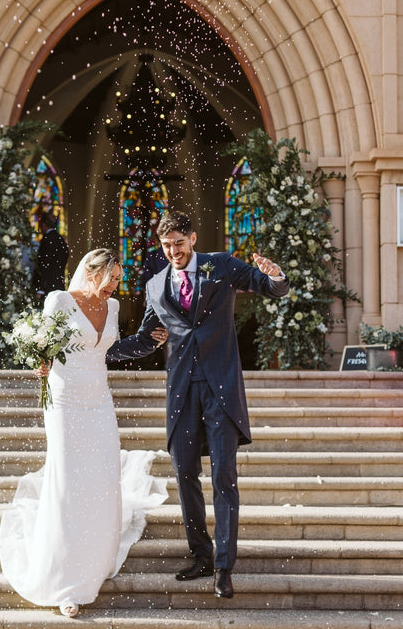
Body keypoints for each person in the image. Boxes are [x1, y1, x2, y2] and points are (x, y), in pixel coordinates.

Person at [108, 211, 289, 599]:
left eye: (179, 242)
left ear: (192, 238)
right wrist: (94, 351)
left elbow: (267, 287)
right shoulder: (156, 285)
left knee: (224, 476)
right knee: (185, 473)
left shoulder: (220, 266)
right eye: (166, 244)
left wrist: (275, 276)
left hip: (220, 386)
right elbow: (145, 338)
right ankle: (201, 554)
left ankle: (224, 567)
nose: (173, 250)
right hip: (182, 390)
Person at [0, 249, 168, 618]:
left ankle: (93, 557)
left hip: (99, 401)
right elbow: (43, 345)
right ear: (92, 274)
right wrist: (38, 360)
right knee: (69, 478)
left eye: (119, 281)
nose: (115, 287)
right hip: (64, 401)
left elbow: (110, 350)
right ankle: (66, 579)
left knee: (102, 475)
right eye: (111, 279)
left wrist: (150, 342)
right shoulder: (59, 300)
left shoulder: (115, 307)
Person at [32, 210, 69, 298]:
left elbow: (44, 263)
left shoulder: (46, 240)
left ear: (44, 225)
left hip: (47, 286)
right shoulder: (61, 239)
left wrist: (41, 288)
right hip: (59, 283)